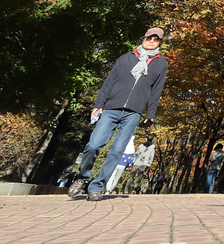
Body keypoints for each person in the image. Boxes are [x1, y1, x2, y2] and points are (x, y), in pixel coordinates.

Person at [67, 27, 169, 203]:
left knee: (116, 151)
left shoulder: (161, 63)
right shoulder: (126, 58)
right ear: (143, 38)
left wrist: (150, 113)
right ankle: (82, 177)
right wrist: (99, 104)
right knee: (93, 145)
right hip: (111, 108)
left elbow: (156, 90)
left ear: (159, 42)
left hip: (133, 113)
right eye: (149, 37)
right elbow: (109, 81)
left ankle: (97, 187)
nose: (152, 41)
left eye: (156, 39)